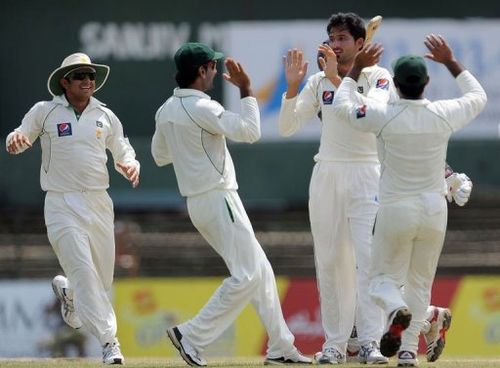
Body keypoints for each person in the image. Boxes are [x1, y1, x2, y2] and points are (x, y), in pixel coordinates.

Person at [151, 42, 312, 367]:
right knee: (248, 275)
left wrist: (191, 149)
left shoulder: (165, 109)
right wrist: (247, 89)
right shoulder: (203, 108)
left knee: (260, 271)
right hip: (218, 197)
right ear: (201, 71)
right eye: (212, 67)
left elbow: (159, 156)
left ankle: (281, 347)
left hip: (200, 202)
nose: (214, 72)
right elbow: (250, 131)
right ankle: (191, 335)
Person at [332, 34, 486, 367]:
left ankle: (394, 310)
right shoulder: (443, 113)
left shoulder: (381, 113)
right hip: (434, 209)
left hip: (395, 209)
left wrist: (356, 69)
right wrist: (451, 61)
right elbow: (478, 96)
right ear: (427, 82)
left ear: (396, 85)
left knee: (380, 283)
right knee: (420, 283)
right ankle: (406, 353)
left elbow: (342, 107)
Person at [6, 52, 141, 365]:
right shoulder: (46, 110)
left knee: (101, 282)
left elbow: (123, 149)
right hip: (61, 202)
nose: (87, 81)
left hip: (98, 202)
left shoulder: (105, 116)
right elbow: (23, 133)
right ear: (64, 82)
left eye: (91, 75)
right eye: (80, 75)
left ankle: (71, 298)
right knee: (82, 270)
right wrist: (17, 139)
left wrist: (131, 165)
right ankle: (110, 343)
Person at [279, 12, 391, 364]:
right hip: (327, 174)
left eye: (342, 38)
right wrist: (294, 87)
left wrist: (342, 78)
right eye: (332, 37)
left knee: (368, 262)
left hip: (366, 174)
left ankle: (370, 341)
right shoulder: (317, 83)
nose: (335, 44)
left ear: (361, 43)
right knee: (329, 261)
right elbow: (287, 127)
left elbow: (369, 117)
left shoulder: (378, 77)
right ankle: (335, 344)